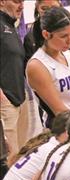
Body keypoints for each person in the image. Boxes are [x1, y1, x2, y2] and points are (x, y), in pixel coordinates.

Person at [24, 0, 70, 113]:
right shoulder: (37, 65)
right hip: (63, 127)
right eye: (63, 36)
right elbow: (59, 111)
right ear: (46, 34)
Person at [0, 0, 28, 156]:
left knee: (22, 156)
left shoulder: (10, 25)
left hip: (20, 99)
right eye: (17, 1)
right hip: (6, 103)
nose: (21, 5)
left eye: (23, 1)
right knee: (10, 158)